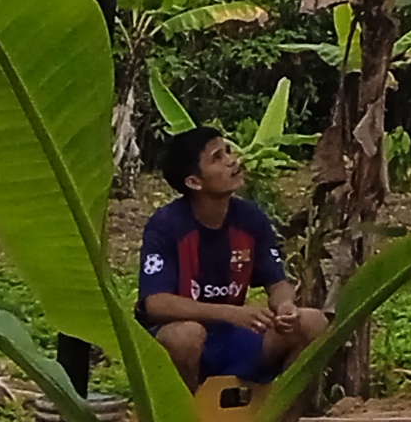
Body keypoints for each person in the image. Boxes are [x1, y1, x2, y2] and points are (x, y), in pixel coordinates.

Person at [137, 127, 330, 389]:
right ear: (194, 182)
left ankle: (282, 410)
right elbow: (155, 303)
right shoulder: (166, 225)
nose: (231, 160)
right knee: (186, 335)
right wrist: (231, 313)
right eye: (217, 158)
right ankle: (186, 408)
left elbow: (277, 283)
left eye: (228, 151)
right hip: (181, 338)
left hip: (234, 337)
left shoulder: (250, 218)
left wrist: (285, 306)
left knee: (313, 322)